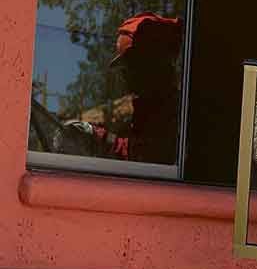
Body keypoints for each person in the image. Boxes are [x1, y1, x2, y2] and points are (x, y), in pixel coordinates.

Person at [60, 12, 183, 164]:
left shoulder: (173, 114)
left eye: (130, 65)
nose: (125, 75)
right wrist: (96, 133)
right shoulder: (150, 109)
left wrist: (99, 137)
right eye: (124, 68)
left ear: (152, 63)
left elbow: (144, 155)